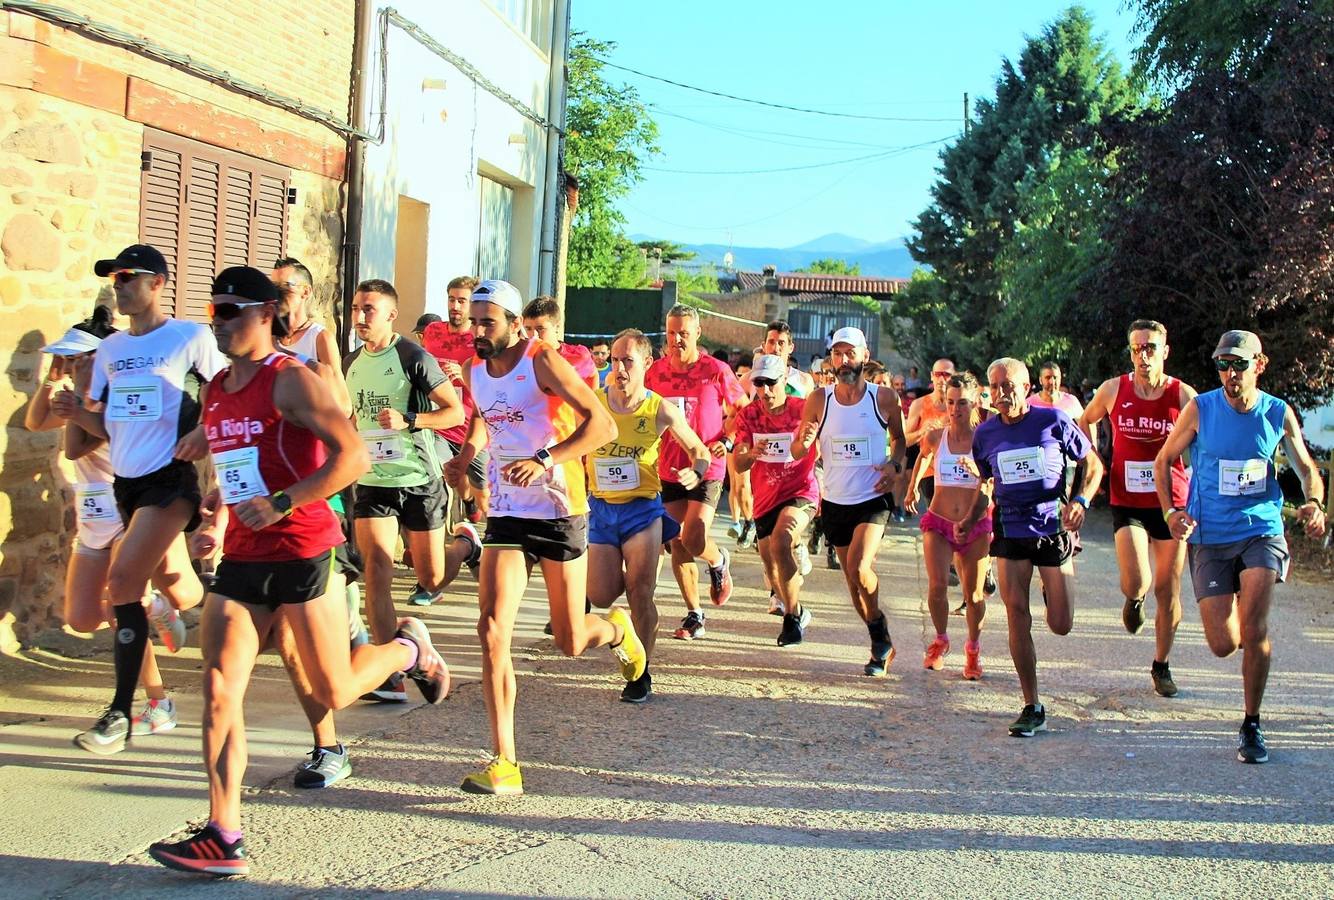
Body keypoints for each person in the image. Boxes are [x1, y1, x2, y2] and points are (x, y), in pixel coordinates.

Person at [146, 267, 450, 876]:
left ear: (263, 314)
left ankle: (406, 650)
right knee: (217, 689)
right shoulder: (217, 390)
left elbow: (354, 457)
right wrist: (218, 515)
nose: (220, 321)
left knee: (333, 688)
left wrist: (285, 502)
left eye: (232, 311)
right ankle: (223, 833)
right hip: (245, 560)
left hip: (307, 549)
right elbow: (239, 467)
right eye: (215, 311)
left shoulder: (293, 381)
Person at [449, 280, 642, 795]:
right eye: (474, 320)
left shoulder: (542, 361)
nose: (478, 331)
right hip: (509, 511)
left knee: (570, 640)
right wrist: (467, 458)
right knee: (491, 628)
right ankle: (504, 761)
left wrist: (544, 460)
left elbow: (602, 427)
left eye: (488, 322)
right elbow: (488, 420)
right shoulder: (473, 370)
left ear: (514, 323)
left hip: (558, 505)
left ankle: (618, 629)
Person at [51, 244, 221, 753]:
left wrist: (207, 434)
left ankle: (122, 714)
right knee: (138, 591)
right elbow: (108, 426)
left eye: (128, 276)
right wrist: (75, 412)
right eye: (114, 278)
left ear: (158, 283)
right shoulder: (110, 351)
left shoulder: (189, 336)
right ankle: (204, 603)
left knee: (122, 583)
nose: (119, 285)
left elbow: (228, 392)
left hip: (171, 480)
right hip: (124, 486)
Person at [1154, 330, 1325, 764]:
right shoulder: (1200, 409)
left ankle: (1252, 722)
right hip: (1211, 535)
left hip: (1261, 529)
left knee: (1254, 627)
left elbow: (1306, 468)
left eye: (1240, 365)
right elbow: (1163, 461)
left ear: (1259, 365)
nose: (1231, 373)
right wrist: (1172, 512)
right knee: (1222, 643)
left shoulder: (1277, 413)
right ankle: (1246, 640)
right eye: (1223, 365)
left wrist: (1314, 502)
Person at [28, 308, 185, 738]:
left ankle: (158, 701)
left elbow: (77, 448)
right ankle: (153, 606)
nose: (74, 366)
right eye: (70, 358)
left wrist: (78, 403)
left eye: (80, 359)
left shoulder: (120, 401)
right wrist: (53, 378)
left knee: (134, 603)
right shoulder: (80, 396)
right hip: (93, 518)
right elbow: (36, 421)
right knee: (79, 618)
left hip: (131, 510)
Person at [343, 279, 474, 702]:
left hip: (418, 479)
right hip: (373, 481)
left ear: (391, 315)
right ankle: (389, 673)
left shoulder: (413, 356)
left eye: (370, 310)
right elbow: (350, 417)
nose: (361, 317)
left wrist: (410, 419)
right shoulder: (350, 362)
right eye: (357, 309)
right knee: (376, 570)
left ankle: (465, 545)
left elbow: (453, 410)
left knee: (430, 577)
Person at [960, 358, 1104, 737]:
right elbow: (986, 483)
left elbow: (1093, 464)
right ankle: (1031, 704)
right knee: (1016, 613)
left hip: (1052, 527)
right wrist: (972, 518)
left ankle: (1053, 586)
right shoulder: (985, 434)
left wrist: (1080, 501)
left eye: (1009, 385)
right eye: (995, 386)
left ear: (1026, 388)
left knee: (1061, 624)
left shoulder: (1052, 421)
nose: (1001, 392)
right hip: (1010, 527)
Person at [586, 328, 710, 702]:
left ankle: (641, 673)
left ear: (646, 364)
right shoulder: (592, 402)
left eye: (628, 361)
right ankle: (623, 625)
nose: (619, 368)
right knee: (602, 594)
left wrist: (697, 471)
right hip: (601, 508)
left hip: (642, 510)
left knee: (641, 592)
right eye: (614, 360)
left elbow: (699, 450)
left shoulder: (659, 409)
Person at [1079, 320, 1196, 697]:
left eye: (1150, 347)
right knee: (1138, 581)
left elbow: (1206, 443)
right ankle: (1134, 598)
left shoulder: (1182, 395)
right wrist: (1094, 455)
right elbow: (1085, 420)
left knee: (1169, 588)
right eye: (1136, 348)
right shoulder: (1114, 389)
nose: (1143, 355)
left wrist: (1195, 480)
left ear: (1165, 351)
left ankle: (1161, 664)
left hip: (1170, 502)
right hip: (1127, 497)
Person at [792, 327, 906, 674]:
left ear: (864, 356)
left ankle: (878, 634)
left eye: (851, 353)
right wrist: (805, 440)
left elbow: (899, 440)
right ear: (831, 360)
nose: (844, 361)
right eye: (838, 354)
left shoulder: (883, 398)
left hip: (872, 498)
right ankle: (879, 637)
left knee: (859, 568)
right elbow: (798, 450)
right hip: (836, 503)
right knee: (853, 583)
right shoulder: (818, 400)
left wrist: (895, 465)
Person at [646, 304, 748, 640]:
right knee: (678, 541)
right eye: (671, 333)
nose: (676, 340)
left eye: (684, 334)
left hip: (707, 464)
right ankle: (695, 614)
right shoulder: (655, 373)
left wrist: (728, 440)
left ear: (698, 334)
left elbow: (743, 412)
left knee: (692, 536)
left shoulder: (716, 371)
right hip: (669, 467)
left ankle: (718, 561)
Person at [906, 373, 991, 678]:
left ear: (975, 402)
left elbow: (993, 483)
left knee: (974, 595)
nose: (955, 409)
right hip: (939, 520)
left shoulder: (985, 439)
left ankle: (973, 649)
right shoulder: (936, 436)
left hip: (976, 524)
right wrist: (913, 486)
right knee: (937, 586)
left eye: (963, 403)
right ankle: (941, 639)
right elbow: (923, 458)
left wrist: (978, 471)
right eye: (951, 402)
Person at [734, 355, 820, 645]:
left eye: (771, 382)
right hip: (765, 498)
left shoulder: (802, 409)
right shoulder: (748, 416)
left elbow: (811, 447)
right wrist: (750, 454)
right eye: (759, 383)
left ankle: (792, 618)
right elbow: (739, 464)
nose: (766, 390)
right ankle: (796, 607)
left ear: (784, 380)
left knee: (782, 540)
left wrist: (804, 444)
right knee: (770, 563)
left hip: (801, 491)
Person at [423, 275, 489, 523]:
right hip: (439, 423)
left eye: (462, 301)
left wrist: (463, 372)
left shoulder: (480, 340)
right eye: (451, 299)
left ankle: (475, 507)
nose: (455, 306)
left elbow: (492, 379)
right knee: (439, 473)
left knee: (483, 493)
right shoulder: (433, 332)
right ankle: (447, 525)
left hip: (472, 427)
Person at [522, 295, 597, 389]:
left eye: (540, 329)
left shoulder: (578, 355)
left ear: (556, 326)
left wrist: (592, 398)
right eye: (528, 329)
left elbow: (593, 374)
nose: (534, 335)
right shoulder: (518, 357)